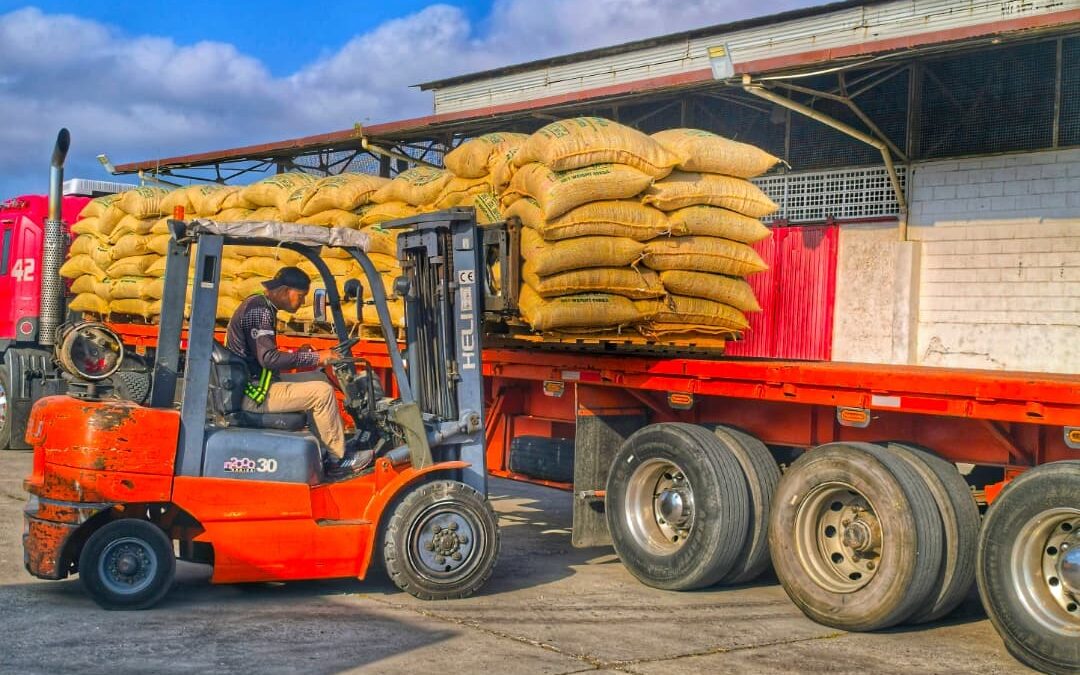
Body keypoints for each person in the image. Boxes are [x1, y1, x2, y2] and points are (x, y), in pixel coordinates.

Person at [225, 266, 372, 473]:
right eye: (301, 296)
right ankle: (338, 460)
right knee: (322, 394)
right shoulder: (260, 310)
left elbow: (262, 354)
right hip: (254, 394)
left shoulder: (260, 304)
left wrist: (305, 355)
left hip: (257, 384)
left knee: (318, 378)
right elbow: (269, 358)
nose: (303, 302)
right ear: (286, 291)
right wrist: (315, 356)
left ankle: (322, 449)